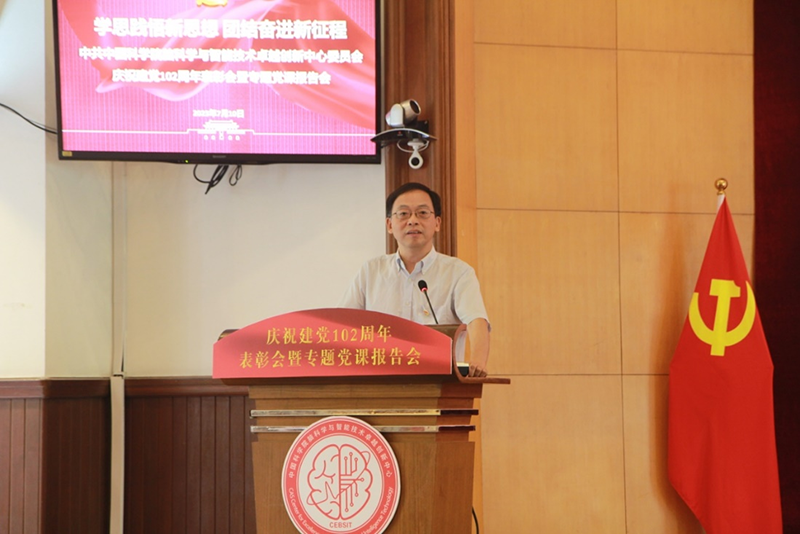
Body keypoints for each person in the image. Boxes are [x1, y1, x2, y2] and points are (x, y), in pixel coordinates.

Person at [339, 182, 490, 377]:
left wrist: (478, 362)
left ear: (437, 223)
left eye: (422, 213)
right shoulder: (371, 272)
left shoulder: (458, 273)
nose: (412, 221)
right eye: (403, 214)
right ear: (389, 225)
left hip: (439, 383)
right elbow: (342, 325)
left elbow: (476, 321)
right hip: (379, 382)